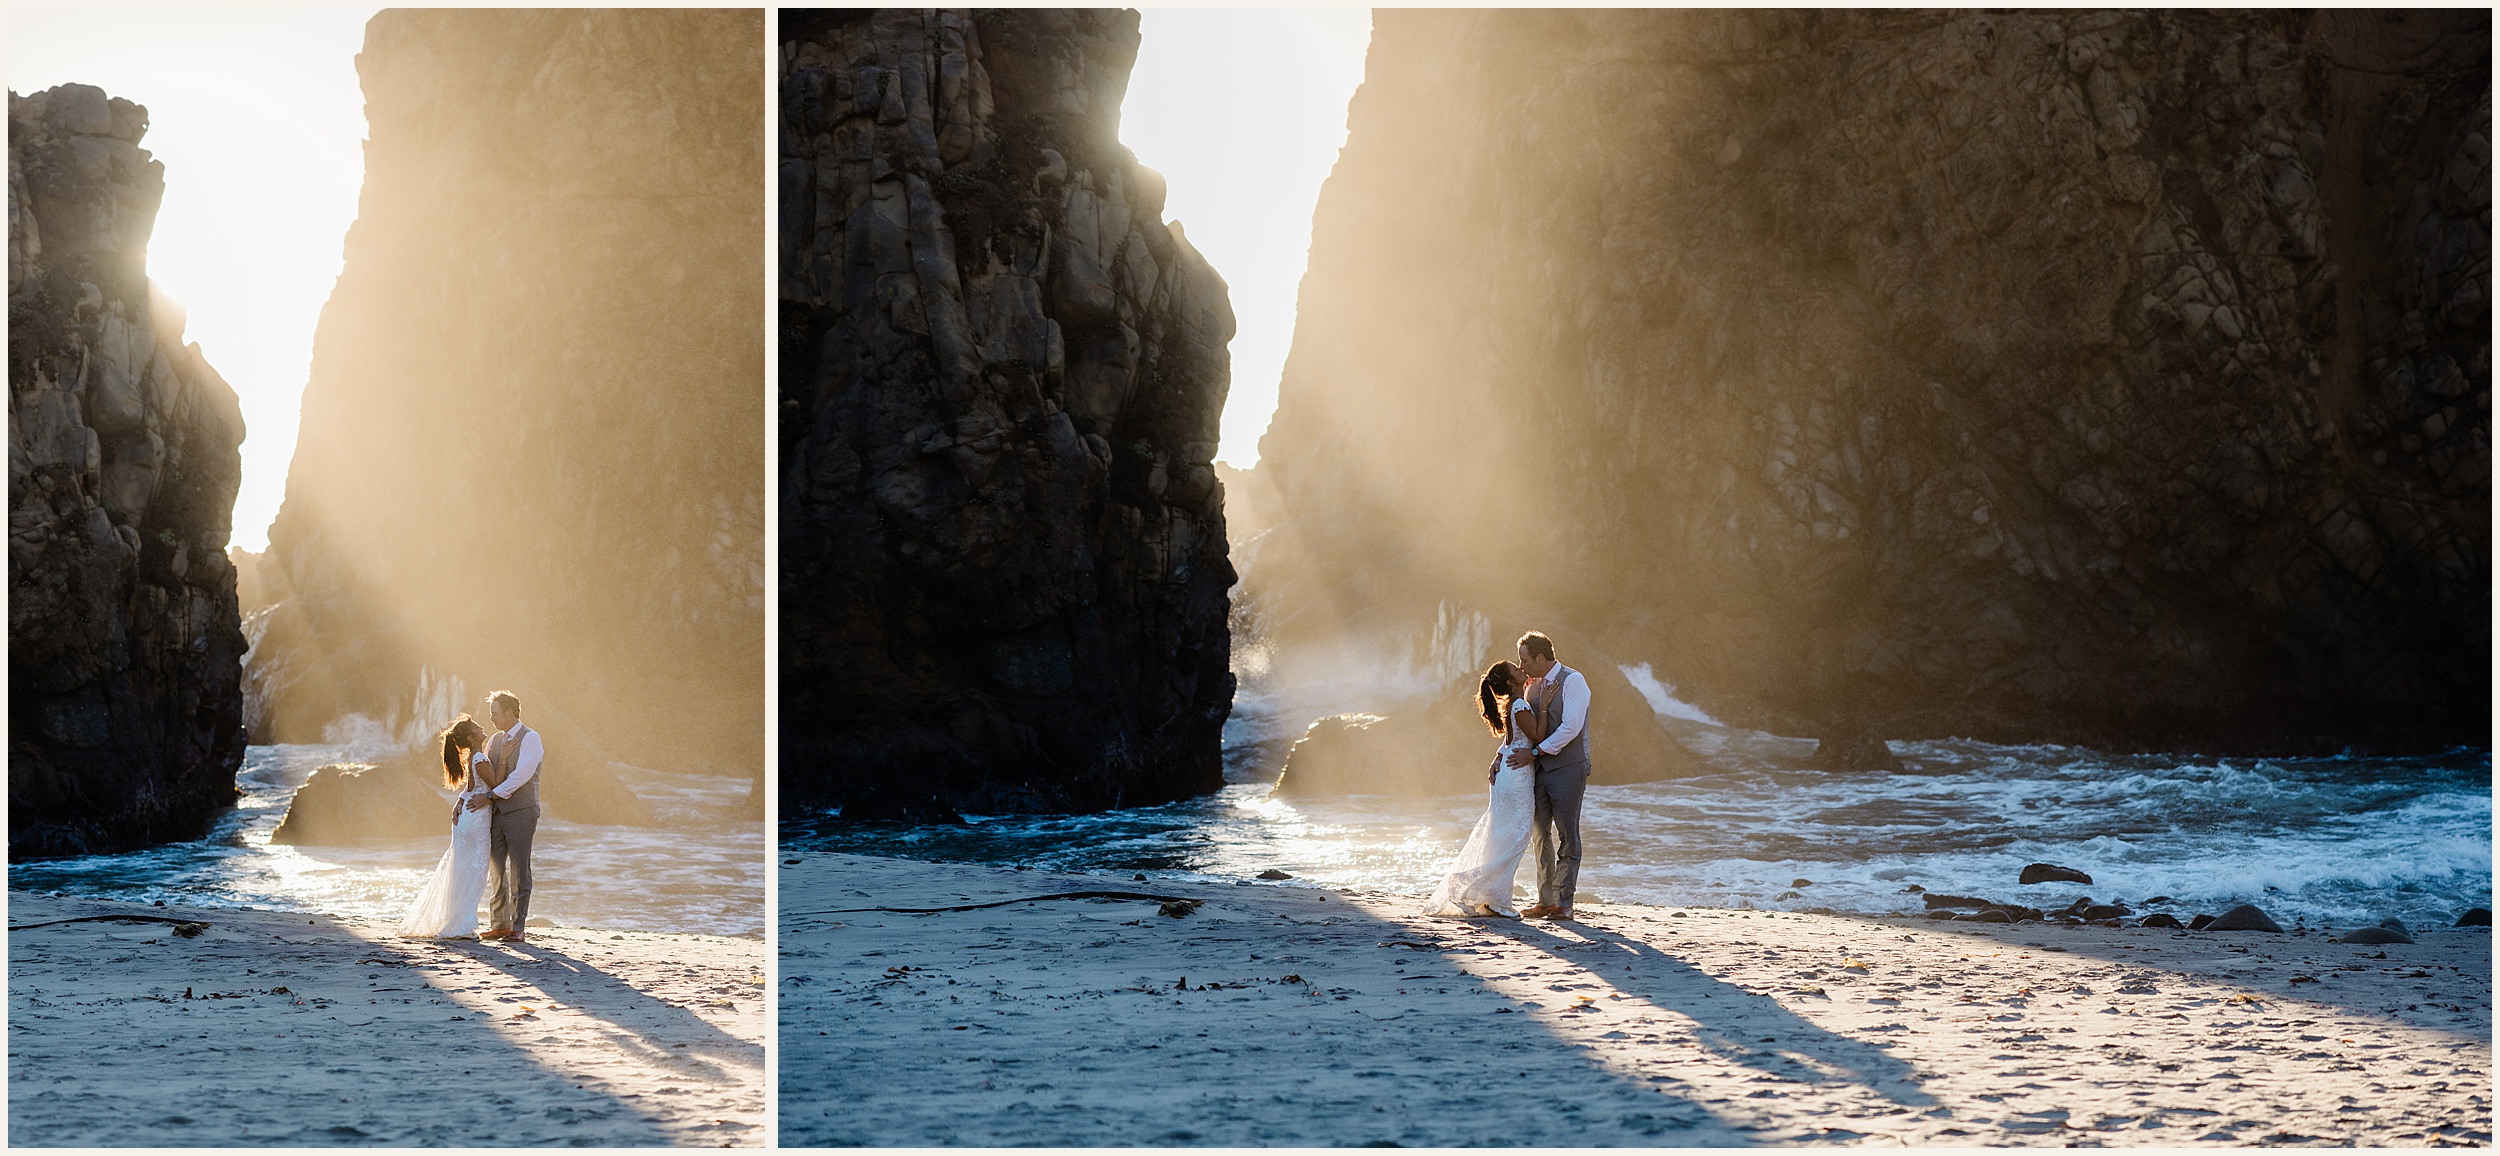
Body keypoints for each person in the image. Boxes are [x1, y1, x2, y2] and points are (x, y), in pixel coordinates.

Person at [1424, 660, 1554, 917]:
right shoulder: (1518, 705)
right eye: (1516, 669)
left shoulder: (1514, 704)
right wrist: (1546, 707)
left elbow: (1513, 740)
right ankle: (1488, 894)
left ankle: (1492, 896)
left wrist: (1497, 758)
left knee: (1503, 837)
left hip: (1510, 774)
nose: (1521, 668)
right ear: (1510, 682)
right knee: (1516, 838)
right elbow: (1538, 736)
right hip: (1516, 779)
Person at [1506, 631, 1592, 920]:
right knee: (1540, 835)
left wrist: (1535, 753)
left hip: (1568, 767)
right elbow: (1523, 729)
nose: (1522, 666)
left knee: (1568, 834)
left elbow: (1571, 727)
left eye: (1525, 660)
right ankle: (1545, 901)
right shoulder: (1531, 686)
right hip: (1538, 771)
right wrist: (1501, 757)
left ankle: (1564, 903)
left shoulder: (1574, 680)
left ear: (1541, 658)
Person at [396, 715, 495, 938]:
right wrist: (506, 759)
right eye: (477, 727)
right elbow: (498, 784)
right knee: (476, 872)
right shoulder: (479, 758)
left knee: (461, 871)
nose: (481, 727)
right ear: (471, 737)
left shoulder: (473, 758)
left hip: (467, 818)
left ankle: (456, 921)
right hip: (476, 820)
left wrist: (459, 801)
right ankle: (461, 924)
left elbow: (471, 787)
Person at [472, 690, 544, 942]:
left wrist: (491, 797)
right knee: (496, 868)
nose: (491, 718)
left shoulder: (531, 738)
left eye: (495, 713)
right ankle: (499, 925)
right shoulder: (493, 740)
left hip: (521, 812)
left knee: (519, 869)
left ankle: (518, 927)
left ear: (510, 713)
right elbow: (489, 774)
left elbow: (521, 775)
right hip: (495, 813)